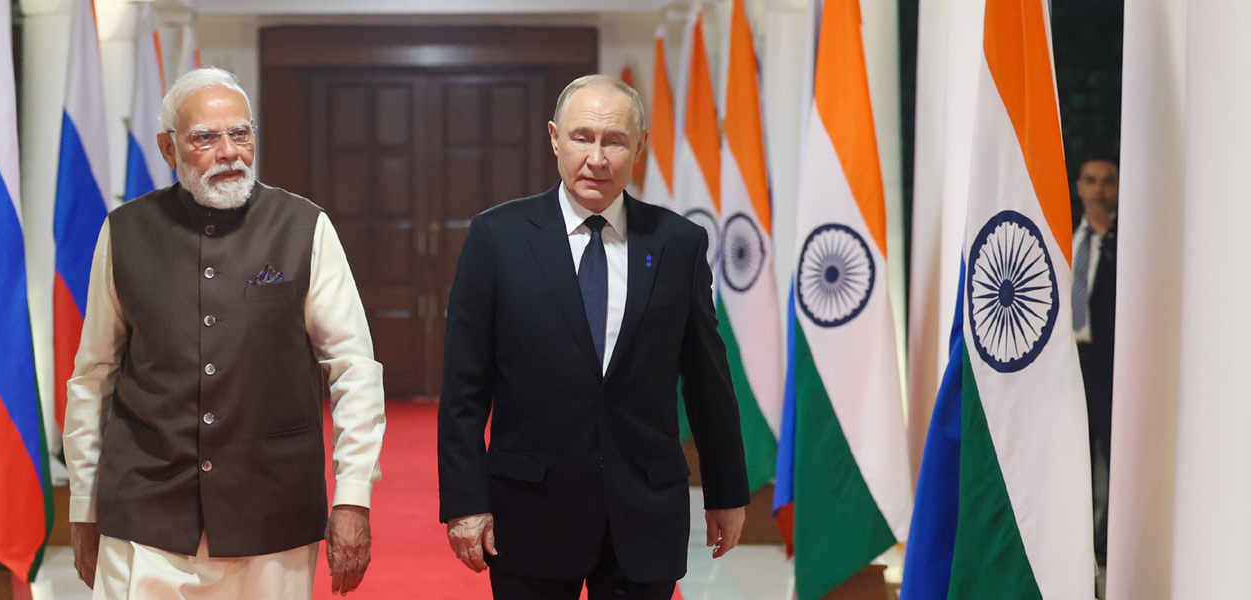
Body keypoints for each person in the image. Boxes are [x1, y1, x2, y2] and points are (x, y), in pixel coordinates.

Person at [64, 67, 385, 599]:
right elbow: (93, 376)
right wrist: (84, 506)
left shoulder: (304, 226)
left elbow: (353, 368)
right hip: (144, 509)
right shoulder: (124, 232)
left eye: (240, 133)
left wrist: (353, 497)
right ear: (168, 149)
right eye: (205, 138)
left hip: (272, 511)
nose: (229, 152)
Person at [437, 74, 749, 600]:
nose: (597, 159)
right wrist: (466, 502)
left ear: (640, 147)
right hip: (530, 510)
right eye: (582, 137)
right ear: (555, 138)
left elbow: (707, 380)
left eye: (615, 141)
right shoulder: (497, 238)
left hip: (644, 511)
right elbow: (464, 389)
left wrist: (726, 491)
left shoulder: (678, 244)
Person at [1071, 154, 1118, 567]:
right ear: (1078, 186)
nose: (1099, 190)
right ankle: (1075, 541)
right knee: (1073, 454)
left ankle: (1108, 542)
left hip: (1109, 363)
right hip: (1070, 361)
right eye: (1091, 180)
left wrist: (1108, 237)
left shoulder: (1127, 238)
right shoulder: (1063, 231)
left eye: (1107, 181)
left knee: (1113, 451)